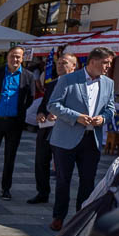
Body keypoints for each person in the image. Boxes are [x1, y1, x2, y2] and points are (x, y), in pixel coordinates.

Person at [46, 46, 117, 230]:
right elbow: (53, 105)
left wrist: (103, 118)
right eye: (105, 62)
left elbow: (111, 108)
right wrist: (76, 117)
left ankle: (81, 218)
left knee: (88, 181)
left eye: (110, 63)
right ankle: (58, 217)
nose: (108, 66)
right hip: (66, 138)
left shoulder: (108, 83)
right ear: (93, 61)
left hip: (91, 139)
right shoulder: (68, 79)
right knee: (63, 180)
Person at [0, 46, 36, 200]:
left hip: (14, 123)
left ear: (22, 58)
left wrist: (18, 111)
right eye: (12, 56)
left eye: (18, 56)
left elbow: (30, 98)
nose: (15, 59)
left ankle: (6, 189)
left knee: (10, 158)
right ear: (7, 57)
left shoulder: (28, 76)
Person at [29, 52, 79, 205]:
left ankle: (61, 199)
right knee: (41, 161)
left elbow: (79, 109)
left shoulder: (78, 86)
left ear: (73, 66)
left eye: (64, 63)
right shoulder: (52, 84)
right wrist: (40, 114)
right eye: (58, 63)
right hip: (46, 129)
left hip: (65, 131)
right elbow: (44, 105)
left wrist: (60, 116)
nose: (60, 66)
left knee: (61, 167)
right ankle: (42, 192)